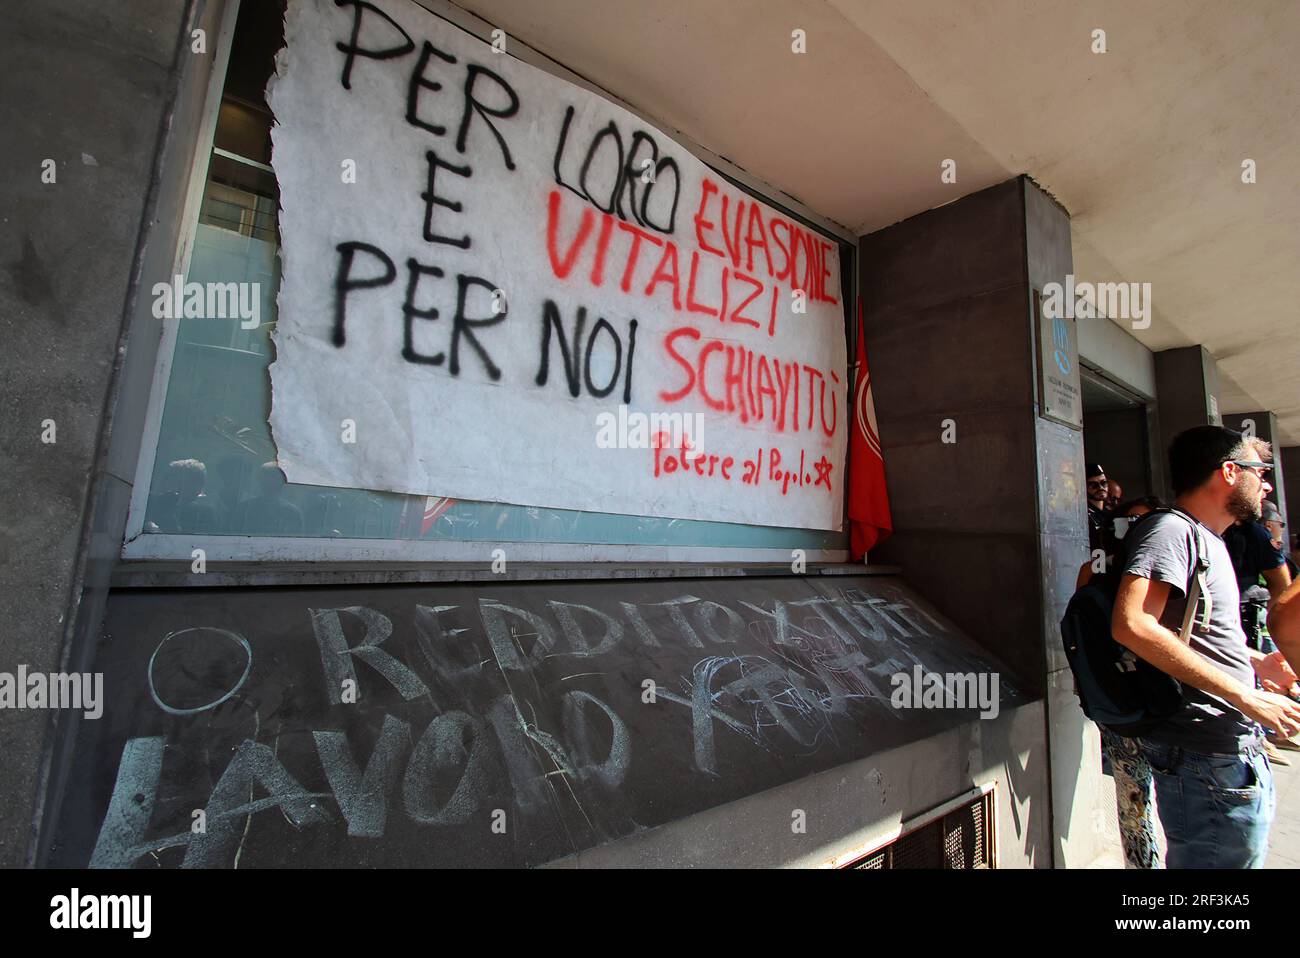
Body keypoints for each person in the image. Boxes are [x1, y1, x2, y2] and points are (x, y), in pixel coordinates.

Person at [1111, 425, 1300, 868]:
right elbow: (1132, 624)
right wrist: (1242, 695)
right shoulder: (1170, 531)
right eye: (1261, 472)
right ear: (1230, 472)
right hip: (1205, 755)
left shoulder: (1207, 538)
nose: (1267, 484)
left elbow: (1185, 633)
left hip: (1227, 751)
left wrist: (1254, 663)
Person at [1086, 463, 1111, 552]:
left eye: (1104, 483)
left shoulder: (1111, 514)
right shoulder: (1083, 515)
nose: (1101, 488)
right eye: (1093, 485)